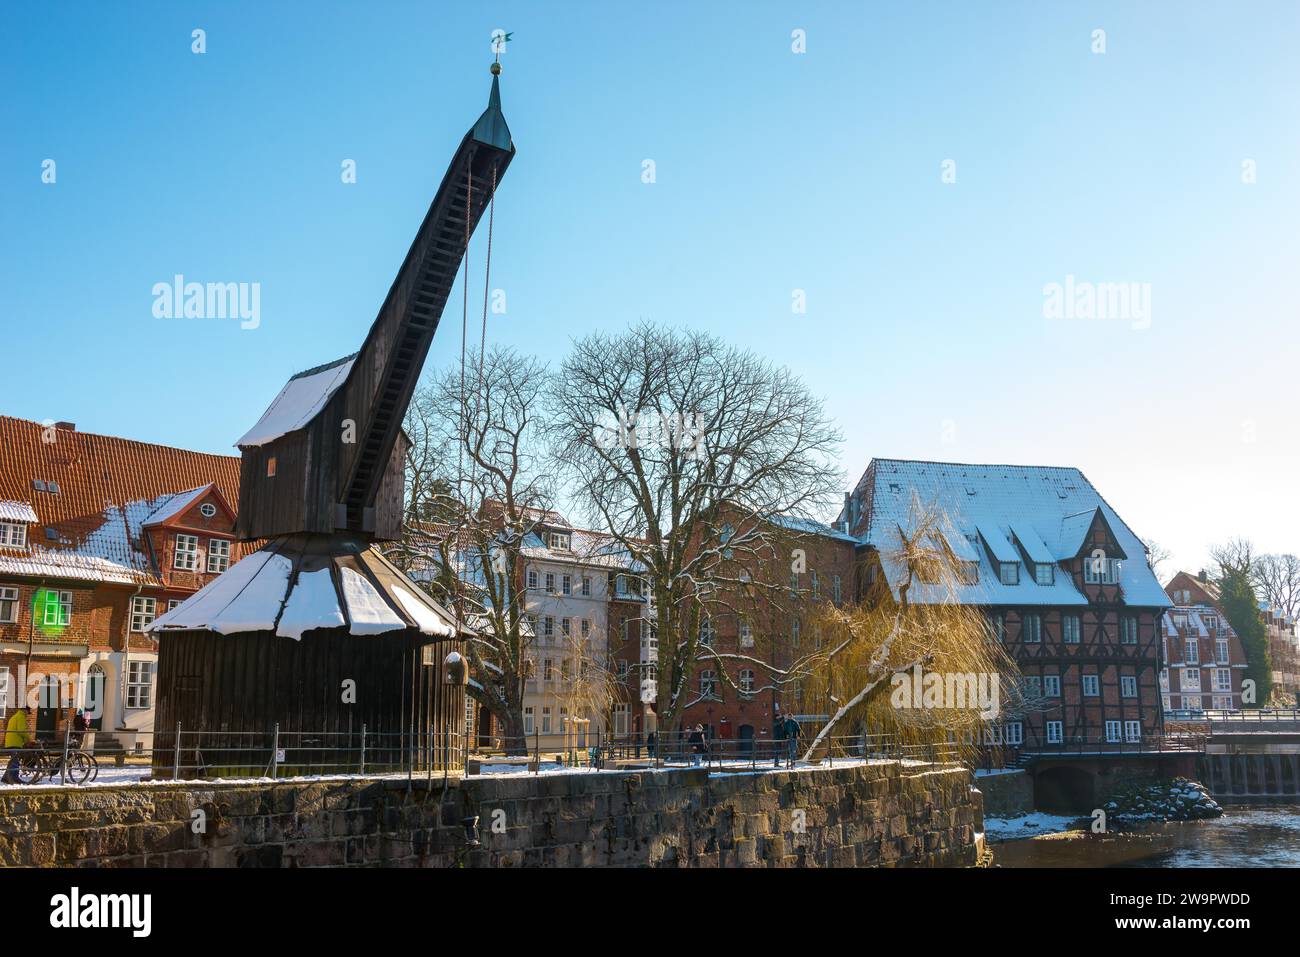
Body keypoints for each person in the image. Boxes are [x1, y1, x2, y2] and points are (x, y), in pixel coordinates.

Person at [3, 706, 33, 784]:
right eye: (27, 712)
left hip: (10, 742)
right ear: (25, 711)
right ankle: (15, 778)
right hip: (15, 743)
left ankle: (5, 778)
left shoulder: (14, 716)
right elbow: (21, 731)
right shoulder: (21, 717)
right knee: (15, 762)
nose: (27, 714)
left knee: (13, 761)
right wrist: (29, 739)